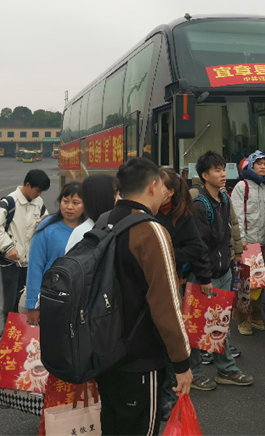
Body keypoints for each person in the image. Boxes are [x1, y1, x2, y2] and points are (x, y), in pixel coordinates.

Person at [97, 158, 192, 436]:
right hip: (140, 358)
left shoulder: (104, 221)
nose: (165, 191)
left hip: (104, 351)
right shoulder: (151, 230)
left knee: (112, 425)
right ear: (152, 186)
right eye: (163, 185)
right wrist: (181, 362)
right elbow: (166, 303)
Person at [190, 151, 254, 389]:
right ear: (204, 175)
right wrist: (204, 276)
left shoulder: (224, 199)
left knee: (220, 323)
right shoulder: (200, 204)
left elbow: (228, 231)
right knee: (197, 324)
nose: (223, 174)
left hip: (223, 270)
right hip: (204, 276)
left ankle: (226, 369)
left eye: (223, 169)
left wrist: (234, 255)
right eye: (216, 170)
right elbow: (198, 245)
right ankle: (195, 373)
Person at [157, 168, 210, 418]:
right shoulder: (146, 210)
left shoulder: (182, 216)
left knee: (171, 339)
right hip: (146, 284)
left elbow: (197, 248)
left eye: (158, 184)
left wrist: (167, 254)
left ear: (170, 192)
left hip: (171, 283)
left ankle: (168, 395)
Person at [0, 169, 50, 337]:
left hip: (30, 264)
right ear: (27, 185)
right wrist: (8, 247)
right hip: (9, 263)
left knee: (27, 303)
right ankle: (4, 338)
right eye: (38, 190)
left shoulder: (39, 204)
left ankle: (22, 338)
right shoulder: (8, 202)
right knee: (7, 304)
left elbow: (46, 225)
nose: (39, 194)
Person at [24, 182, 85, 324]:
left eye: (76, 203)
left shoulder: (90, 228)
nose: (69, 207)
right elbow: (35, 267)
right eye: (65, 201)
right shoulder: (47, 227)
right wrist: (33, 304)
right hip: (51, 298)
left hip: (81, 300)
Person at [230, 151, 265, 335]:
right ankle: (242, 319)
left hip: (260, 243)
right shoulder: (242, 186)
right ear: (251, 165)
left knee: (259, 283)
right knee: (244, 283)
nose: (263, 167)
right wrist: (241, 241)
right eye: (259, 163)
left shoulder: (264, 188)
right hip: (246, 244)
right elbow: (237, 216)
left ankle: (255, 316)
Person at [64, 174, 120, 252]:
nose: (119, 199)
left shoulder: (110, 227)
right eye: (115, 194)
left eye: (119, 194)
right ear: (102, 198)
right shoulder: (85, 233)